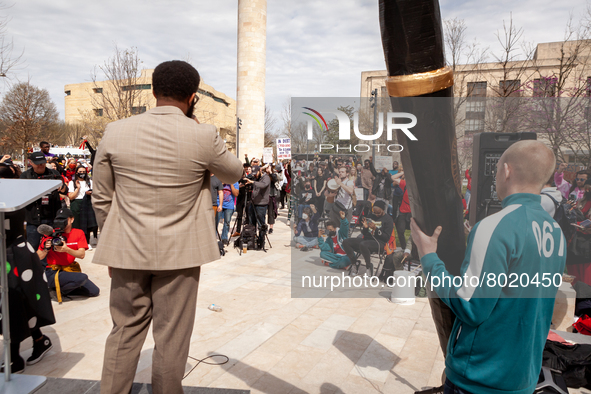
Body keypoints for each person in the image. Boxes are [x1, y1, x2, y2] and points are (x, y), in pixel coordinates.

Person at [92, 60, 243, 394]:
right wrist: (200, 130)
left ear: (153, 91)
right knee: (172, 336)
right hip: (181, 254)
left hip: (127, 250)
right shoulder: (203, 134)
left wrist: (111, 241)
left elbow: (101, 197)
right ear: (192, 96)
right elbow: (235, 173)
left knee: (124, 330)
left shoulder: (116, 131)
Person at [411, 140, 566, 394]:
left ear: (506, 171)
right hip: (522, 378)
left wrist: (429, 258)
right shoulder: (556, 232)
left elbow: (471, 306)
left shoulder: (495, 226)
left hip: (479, 379)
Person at [1, 161, 55, 373]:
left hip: (13, 257)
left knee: (12, 302)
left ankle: (14, 356)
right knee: (18, 303)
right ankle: (39, 340)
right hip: (12, 256)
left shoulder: (12, 196)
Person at [37, 208, 100, 302]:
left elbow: (81, 255)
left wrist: (66, 249)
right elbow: (38, 257)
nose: (61, 222)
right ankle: (56, 288)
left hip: (70, 269)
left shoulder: (78, 233)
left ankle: (60, 290)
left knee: (94, 291)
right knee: (82, 277)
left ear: (72, 219)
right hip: (53, 271)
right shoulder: (50, 234)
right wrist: (46, 249)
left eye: (64, 219)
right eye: (58, 219)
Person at [20, 152, 65, 250]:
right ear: (31, 162)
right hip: (33, 219)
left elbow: (65, 190)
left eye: (42, 162)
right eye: (38, 163)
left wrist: (62, 188)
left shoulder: (54, 174)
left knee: (53, 247)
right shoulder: (25, 176)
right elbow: (21, 194)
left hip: (52, 217)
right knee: (32, 247)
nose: (41, 165)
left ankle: (49, 265)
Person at [342, 200, 393, 276]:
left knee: (363, 244)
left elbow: (386, 238)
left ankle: (368, 267)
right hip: (366, 240)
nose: (376, 215)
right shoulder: (370, 216)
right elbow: (364, 233)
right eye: (374, 212)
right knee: (346, 242)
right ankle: (354, 263)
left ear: (383, 210)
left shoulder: (388, 220)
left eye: (378, 213)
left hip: (379, 242)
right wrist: (365, 227)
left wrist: (376, 229)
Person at [67, 165, 98, 249]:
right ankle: (76, 242)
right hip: (76, 203)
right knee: (76, 224)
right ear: (77, 172)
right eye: (80, 172)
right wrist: (78, 188)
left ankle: (86, 242)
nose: (82, 174)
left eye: (84, 172)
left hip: (87, 203)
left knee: (87, 224)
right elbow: (71, 196)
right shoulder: (72, 183)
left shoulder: (90, 182)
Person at [246, 164, 271, 228]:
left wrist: (252, 182)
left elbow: (263, 185)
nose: (255, 175)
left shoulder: (266, 178)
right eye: (253, 174)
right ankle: (253, 236)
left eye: (256, 174)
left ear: (260, 171)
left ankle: (261, 237)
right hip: (253, 202)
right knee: (251, 222)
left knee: (261, 224)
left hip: (261, 204)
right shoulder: (255, 178)